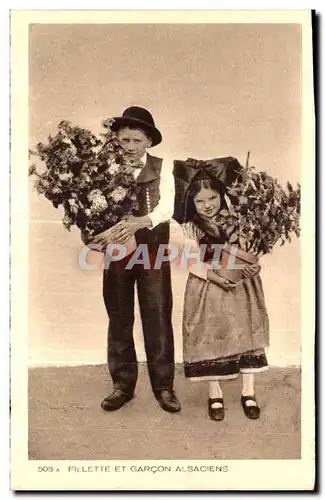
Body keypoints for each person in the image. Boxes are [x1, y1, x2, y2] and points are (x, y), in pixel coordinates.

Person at [84, 106, 181, 413]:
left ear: (148, 141)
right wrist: (93, 236)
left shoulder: (164, 167)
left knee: (158, 315)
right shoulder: (104, 168)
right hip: (117, 253)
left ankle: (164, 387)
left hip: (152, 251)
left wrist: (142, 222)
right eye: (124, 140)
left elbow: (168, 207)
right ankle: (122, 385)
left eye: (136, 140)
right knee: (119, 316)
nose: (129, 147)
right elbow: (88, 209)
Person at [179, 172, 269, 421]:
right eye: (200, 201)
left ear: (222, 196)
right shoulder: (191, 227)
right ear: (192, 203)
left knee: (245, 332)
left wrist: (254, 266)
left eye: (213, 198)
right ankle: (214, 393)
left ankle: (248, 392)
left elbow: (251, 252)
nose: (207, 205)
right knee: (213, 334)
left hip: (241, 285)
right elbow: (191, 262)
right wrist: (218, 277)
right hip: (209, 285)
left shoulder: (239, 221)